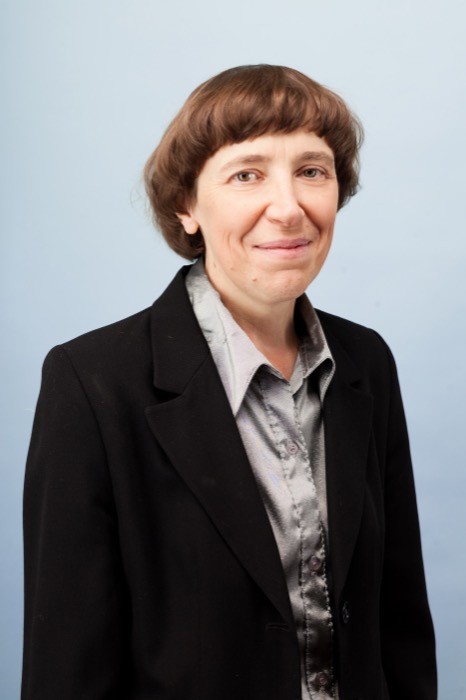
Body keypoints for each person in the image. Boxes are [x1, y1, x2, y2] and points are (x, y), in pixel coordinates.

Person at [22, 65, 436, 700]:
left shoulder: (366, 362)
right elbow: (67, 667)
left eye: (312, 171)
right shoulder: (91, 383)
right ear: (186, 205)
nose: (289, 207)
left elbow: (400, 630)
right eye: (247, 175)